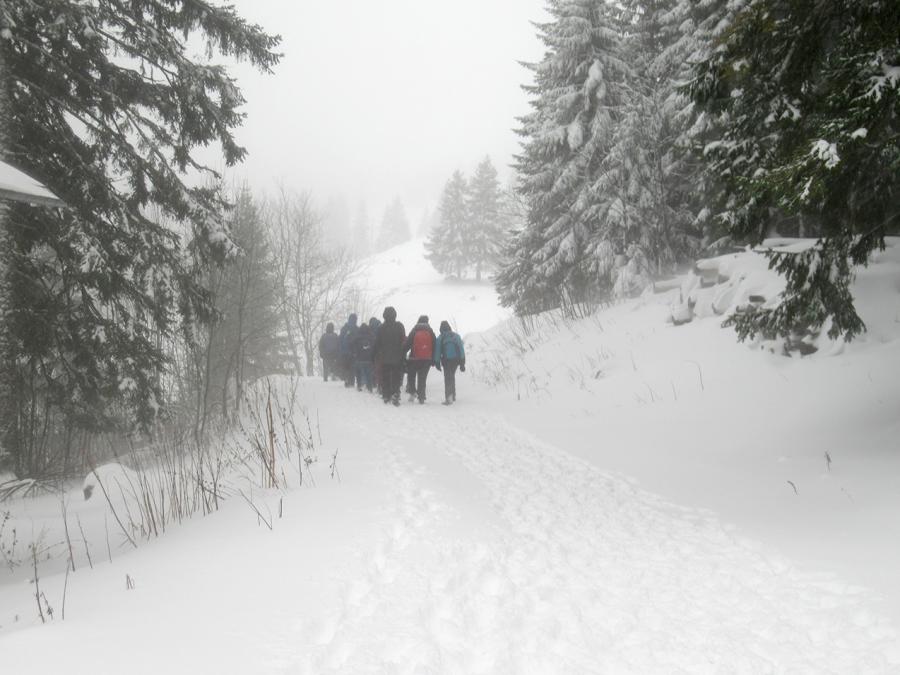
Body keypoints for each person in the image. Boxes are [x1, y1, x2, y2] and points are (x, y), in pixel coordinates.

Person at [373, 306, 406, 406]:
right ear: (395, 315)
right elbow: (403, 341)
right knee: (396, 376)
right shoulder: (399, 326)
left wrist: (374, 355)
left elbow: (377, 343)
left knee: (385, 376)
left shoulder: (381, 328)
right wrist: (403, 355)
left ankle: (386, 395)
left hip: (384, 357)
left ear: (384, 316)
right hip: (397, 357)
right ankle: (395, 394)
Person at [404, 315, 436, 404]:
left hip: (414, 358)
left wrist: (403, 353)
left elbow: (408, 343)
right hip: (426, 359)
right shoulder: (430, 331)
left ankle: (412, 393)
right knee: (422, 378)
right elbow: (434, 345)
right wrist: (433, 358)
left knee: (411, 376)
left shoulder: (415, 330)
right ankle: (421, 397)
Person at [434, 320, 465, 405]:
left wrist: (437, 363)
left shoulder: (441, 337)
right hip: (456, 360)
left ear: (441, 329)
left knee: (448, 378)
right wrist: (462, 362)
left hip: (447, 360)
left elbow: (437, 351)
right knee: (451, 376)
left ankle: (449, 398)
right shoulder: (456, 336)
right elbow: (461, 349)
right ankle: (453, 395)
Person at [352, 322, 375, 392]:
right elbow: (374, 346)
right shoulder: (371, 336)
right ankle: (370, 387)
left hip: (359, 358)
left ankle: (359, 385)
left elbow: (353, 345)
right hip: (368, 358)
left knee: (358, 372)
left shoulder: (357, 336)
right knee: (369, 373)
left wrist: (354, 353)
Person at [338, 313, 359, 388]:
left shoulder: (344, 328)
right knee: (352, 366)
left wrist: (340, 350)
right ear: (356, 320)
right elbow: (358, 341)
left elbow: (340, 340)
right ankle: (352, 381)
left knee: (346, 366)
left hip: (345, 351)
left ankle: (347, 380)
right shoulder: (357, 328)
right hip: (353, 351)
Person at [369, 317, 383, 395]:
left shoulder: (370, 327)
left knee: (374, 367)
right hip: (381, 350)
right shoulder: (381, 326)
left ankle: (374, 382)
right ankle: (379, 385)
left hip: (373, 349)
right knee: (379, 369)